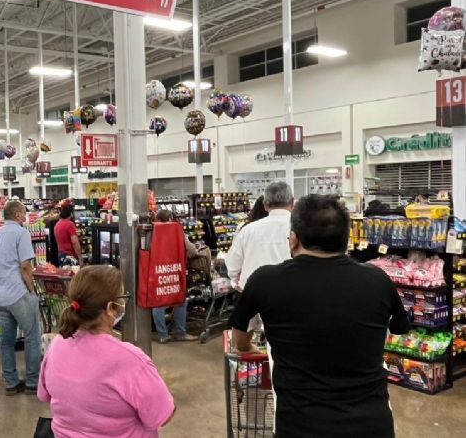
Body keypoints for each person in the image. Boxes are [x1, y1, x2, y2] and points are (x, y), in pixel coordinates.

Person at [230, 194, 411, 438]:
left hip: (299, 426)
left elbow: (239, 340)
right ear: (346, 239)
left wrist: (248, 345)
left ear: (293, 239)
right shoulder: (377, 280)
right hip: (371, 424)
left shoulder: (264, 280)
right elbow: (400, 328)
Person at [38, 265, 176, 437]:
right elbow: (162, 415)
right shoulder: (130, 360)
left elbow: (44, 395)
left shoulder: (57, 344)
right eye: (123, 297)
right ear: (111, 308)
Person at [0, 201, 41, 395]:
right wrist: (32, 291)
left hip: (0, 296)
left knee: (6, 342)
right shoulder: (21, 233)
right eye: (24, 213)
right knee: (32, 336)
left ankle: (11, 382)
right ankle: (33, 382)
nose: (25, 216)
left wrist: (4, 264)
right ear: (17, 214)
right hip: (19, 293)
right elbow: (26, 266)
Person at [225, 181, 293, 331]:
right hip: (290, 298)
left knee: (249, 343)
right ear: (292, 202)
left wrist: (237, 282)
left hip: (252, 296)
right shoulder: (302, 227)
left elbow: (232, 265)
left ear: (265, 204)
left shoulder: (248, 230)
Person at [151, 209, 206, 343]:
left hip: (157, 270)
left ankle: (163, 335)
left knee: (158, 303)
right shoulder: (177, 231)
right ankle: (181, 333)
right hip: (175, 269)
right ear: (170, 218)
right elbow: (191, 250)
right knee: (180, 300)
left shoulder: (151, 231)